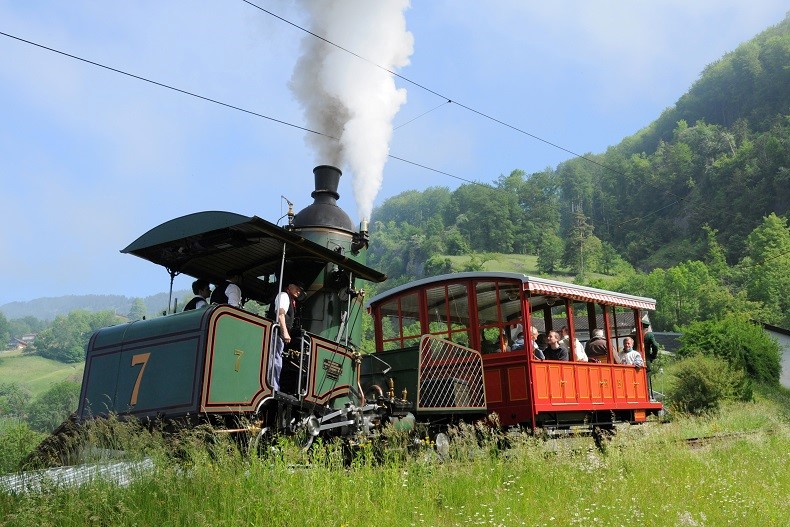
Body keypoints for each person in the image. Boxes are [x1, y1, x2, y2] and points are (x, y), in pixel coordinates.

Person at [271, 281, 304, 392]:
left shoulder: (291, 300)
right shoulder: (284, 296)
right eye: (297, 288)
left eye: (300, 290)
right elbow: (280, 314)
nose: (298, 292)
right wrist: (285, 332)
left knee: (277, 359)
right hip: (276, 333)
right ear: (290, 286)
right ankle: (273, 386)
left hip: (279, 334)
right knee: (275, 360)